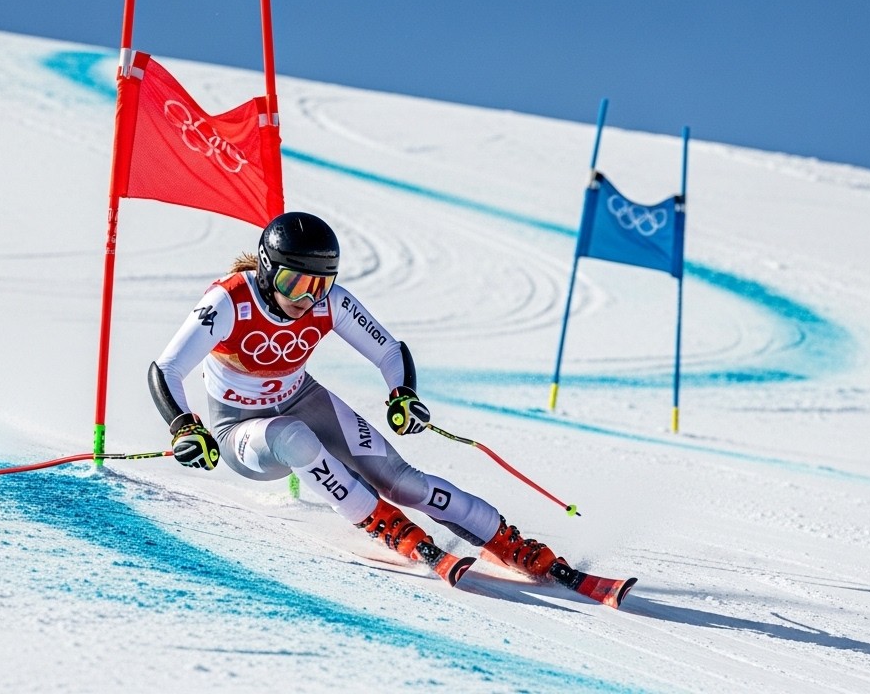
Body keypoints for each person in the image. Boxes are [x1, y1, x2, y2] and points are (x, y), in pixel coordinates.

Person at [148, 211, 566, 585]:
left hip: (303, 399)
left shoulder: (330, 303)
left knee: (404, 481)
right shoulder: (229, 301)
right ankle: (386, 524)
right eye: (293, 283)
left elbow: (388, 350)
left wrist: (402, 394)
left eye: (319, 285)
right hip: (240, 429)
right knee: (294, 436)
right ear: (266, 271)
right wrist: (183, 425)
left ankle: (507, 540)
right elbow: (166, 368)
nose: (305, 299)